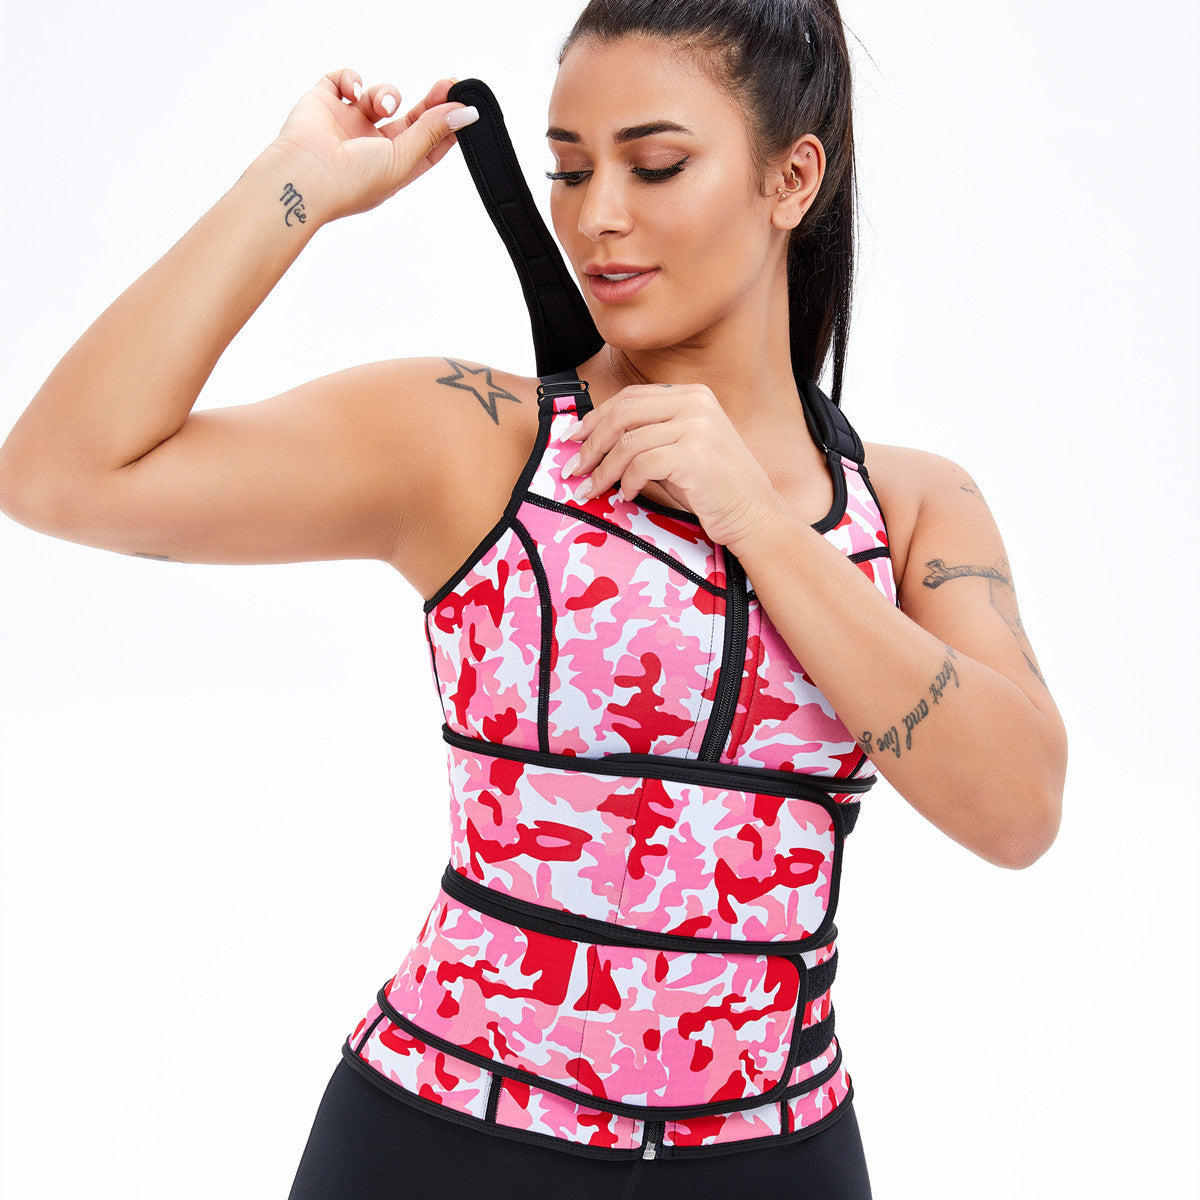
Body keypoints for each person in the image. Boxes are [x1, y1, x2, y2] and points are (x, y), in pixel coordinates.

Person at [0, 0, 1067, 1195]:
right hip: (443, 1143)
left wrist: (761, 523)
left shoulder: (911, 508)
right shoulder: (477, 444)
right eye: (568, 169)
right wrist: (294, 185)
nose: (597, 214)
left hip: (777, 1157)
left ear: (792, 179)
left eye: (655, 166)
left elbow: (1017, 810)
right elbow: (60, 475)